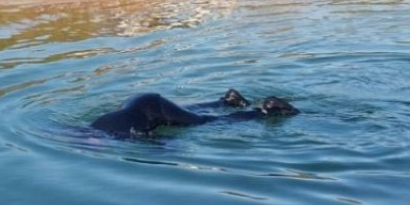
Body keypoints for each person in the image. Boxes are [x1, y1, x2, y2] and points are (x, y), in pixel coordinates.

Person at [91, 89, 299, 137]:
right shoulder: (97, 127)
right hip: (140, 101)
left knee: (203, 122)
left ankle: (267, 111)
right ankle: (228, 101)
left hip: (150, 108)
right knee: (186, 114)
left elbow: (146, 136)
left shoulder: (112, 135)